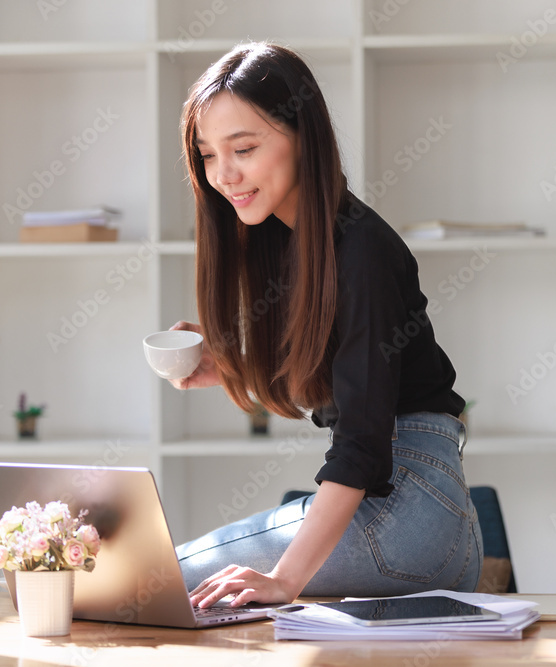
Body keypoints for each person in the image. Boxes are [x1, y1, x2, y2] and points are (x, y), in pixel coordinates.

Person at [169, 41, 482, 610]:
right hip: (424, 516)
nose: (223, 174)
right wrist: (235, 368)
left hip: (409, 512)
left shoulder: (360, 249)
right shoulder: (295, 247)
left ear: (302, 138)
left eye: (243, 147)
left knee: (152, 583)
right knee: (158, 588)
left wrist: (285, 581)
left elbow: (364, 445)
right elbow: (351, 384)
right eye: (207, 154)